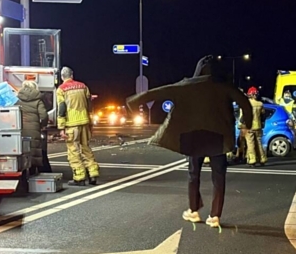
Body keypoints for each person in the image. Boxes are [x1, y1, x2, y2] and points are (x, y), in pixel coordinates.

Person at [127, 56, 251, 228]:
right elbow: (245, 104)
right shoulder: (224, 86)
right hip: (218, 137)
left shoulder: (186, 85)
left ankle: (193, 210)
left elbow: (158, 92)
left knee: (193, 174)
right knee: (219, 176)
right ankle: (215, 216)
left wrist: (133, 102)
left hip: (193, 136)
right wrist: (247, 124)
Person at [56, 66, 99, 186]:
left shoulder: (61, 89)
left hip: (71, 124)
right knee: (86, 148)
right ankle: (93, 173)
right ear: (72, 75)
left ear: (62, 77)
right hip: (84, 121)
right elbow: (89, 104)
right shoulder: (83, 86)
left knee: (73, 151)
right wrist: (90, 121)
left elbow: (62, 108)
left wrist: (61, 127)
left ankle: (79, 177)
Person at [16, 80, 49, 176]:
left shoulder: (17, 99)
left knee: (22, 152)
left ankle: (22, 176)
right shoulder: (38, 100)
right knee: (33, 152)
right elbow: (44, 116)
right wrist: (42, 125)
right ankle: (32, 174)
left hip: (20, 130)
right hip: (34, 130)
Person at [244, 87, 268, 167]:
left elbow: (243, 117)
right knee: (259, 142)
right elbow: (263, 115)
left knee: (250, 144)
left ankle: (252, 160)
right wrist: (262, 123)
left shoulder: (247, 103)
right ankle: (262, 159)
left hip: (249, 126)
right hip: (258, 126)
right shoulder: (260, 104)